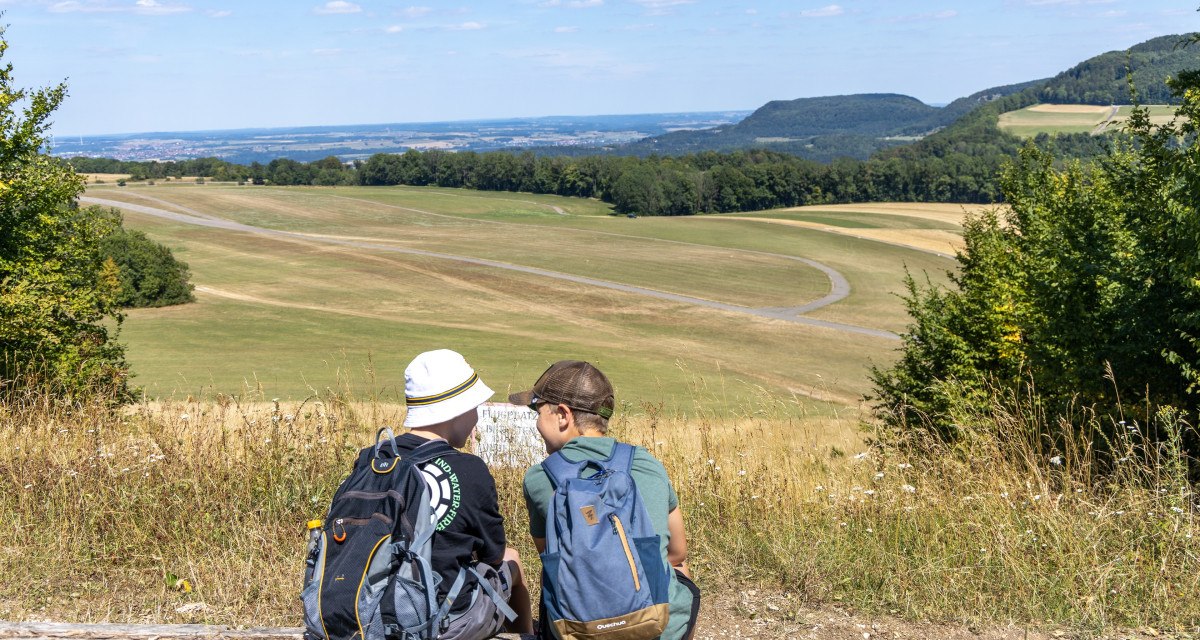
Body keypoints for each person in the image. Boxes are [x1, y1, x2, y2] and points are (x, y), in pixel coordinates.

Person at [513, 360, 700, 640]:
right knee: (678, 570)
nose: (536, 422)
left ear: (563, 415)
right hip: (657, 625)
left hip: (578, 631)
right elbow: (677, 552)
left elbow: (549, 555)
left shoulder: (540, 478)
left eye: (537, 410)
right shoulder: (648, 464)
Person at [399, 349, 535, 639]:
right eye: (474, 406)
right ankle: (525, 635)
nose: (476, 415)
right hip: (443, 621)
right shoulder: (469, 469)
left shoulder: (374, 458)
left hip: (371, 609)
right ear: (457, 410)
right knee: (512, 558)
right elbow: (494, 554)